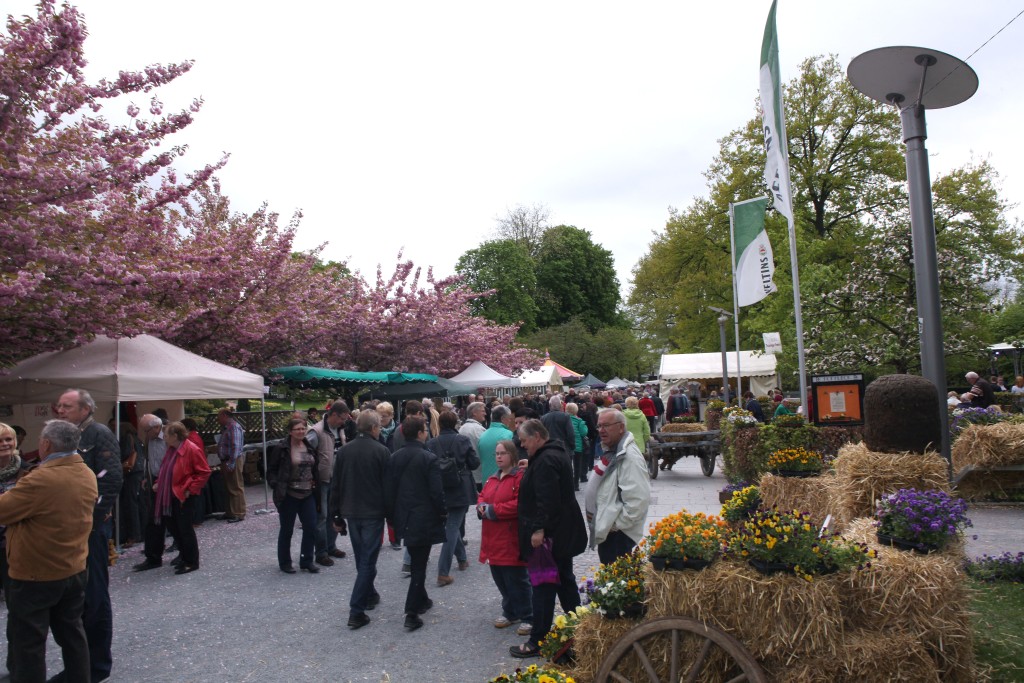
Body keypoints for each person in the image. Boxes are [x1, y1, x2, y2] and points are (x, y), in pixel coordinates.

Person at [0, 419, 97, 683]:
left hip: (36, 573)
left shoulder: (41, 479)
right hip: (73, 567)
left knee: (29, 643)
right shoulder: (85, 472)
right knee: (72, 634)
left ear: (45, 444)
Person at [55, 388, 122, 683]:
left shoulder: (98, 433)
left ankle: (96, 666)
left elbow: (111, 479)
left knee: (94, 596)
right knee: (76, 598)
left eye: (67, 406)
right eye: (59, 406)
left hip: (90, 527)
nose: (60, 410)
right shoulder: (67, 435)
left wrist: (93, 519)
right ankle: (79, 666)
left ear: (85, 409)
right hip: (72, 526)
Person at [510, 419, 587, 659]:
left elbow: (548, 500)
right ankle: (581, 630)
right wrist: (532, 465)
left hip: (549, 537)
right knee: (565, 582)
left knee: (543, 587)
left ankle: (537, 640)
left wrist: (538, 529)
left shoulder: (545, 460)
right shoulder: (552, 453)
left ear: (537, 436)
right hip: (562, 534)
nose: (522, 445)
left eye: (524, 441)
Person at [384, 416, 446, 631]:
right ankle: (411, 611)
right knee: (419, 564)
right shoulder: (428, 458)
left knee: (418, 558)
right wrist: (442, 512)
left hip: (404, 515)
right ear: (420, 433)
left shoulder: (394, 457)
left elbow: (389, 490)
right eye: (425, 430)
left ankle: (422, 599)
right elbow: (436, 491)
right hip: (423, 516)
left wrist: (391, 517)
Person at [331, 410, 390, 630]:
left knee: (362, 558)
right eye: (379, 427)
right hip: (372, 512)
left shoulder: (345, 451)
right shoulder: (381, 451)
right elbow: (388, 486)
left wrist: (336, 514)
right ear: (374, 428)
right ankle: (356, 609)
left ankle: (369, 593)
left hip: (351, 510)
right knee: (367, 560)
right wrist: (393, 515)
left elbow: (336, 484)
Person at [134, 422, 211, 575]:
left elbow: (204, 472)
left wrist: (190, 490)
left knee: (184, 529)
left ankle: (191, 561)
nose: (165, 438)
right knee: (175, 528)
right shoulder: (172, 450)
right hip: (171, 494)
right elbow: (166, 470)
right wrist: (159, 482)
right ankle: (184, 557)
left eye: (167, 435)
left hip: (183, 495)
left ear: (175, 436)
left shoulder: (191, 449)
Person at [478, 439, 532, 636]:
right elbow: (482, 496)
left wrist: (493, 510)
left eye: (503, 453)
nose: (499, 457)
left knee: (517, 579)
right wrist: (481, 506)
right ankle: (510, 611)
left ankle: (528, 615)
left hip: (510, 538)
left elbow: (520, 504)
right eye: (497, 454)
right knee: (500, 578)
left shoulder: (519, 478)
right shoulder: (493, 478)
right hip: (492, 539)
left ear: (512, 455)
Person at [586, 410, 651, 564]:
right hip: (612, 533)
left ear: (621, 427)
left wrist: (615, 525)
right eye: (599, 426)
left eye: (606, 426)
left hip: (618, 535)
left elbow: (638, 501)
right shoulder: (614, 450)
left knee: (618, 574)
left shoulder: (628, 457)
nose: (601, 430)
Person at [427, 411, 480, 587]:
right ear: (455, 423)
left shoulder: (432, 443)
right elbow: (474, 463)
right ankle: (443, 572)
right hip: (460, 487)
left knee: (452, 524)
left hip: (440, 488)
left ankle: (462, 559)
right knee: (451, 527)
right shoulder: (462, 440)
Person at [267, 418, 322, 574]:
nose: (301, 431)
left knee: (311, 527)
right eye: (297, 429)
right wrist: (275, 484)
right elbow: (271, 470)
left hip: (308, 493)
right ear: (290, 431)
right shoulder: (282, 448)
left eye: (303, 428)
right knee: (287, 529)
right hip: (289, 494)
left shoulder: (309, 446)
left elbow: (315, 468)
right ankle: (285, 562)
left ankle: (306, 560)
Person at [307, 400, 350, 566]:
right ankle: (321, 552)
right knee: (322, 516)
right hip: (323, 480)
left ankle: (331, 546)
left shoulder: (340, 429)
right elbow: (307, 453)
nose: (343, 422)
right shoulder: (316, 431)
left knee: (335, 513)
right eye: (342, 418)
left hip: (337, 479)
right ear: (333, 415)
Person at [216, 408, 246, 523]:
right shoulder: (227, 428)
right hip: (227, 460)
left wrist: (231, 463)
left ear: (224, 415)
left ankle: (239, 513)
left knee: (236, 487)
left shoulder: (233, 427)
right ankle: (230, 512)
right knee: (228, 487)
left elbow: (236, 446)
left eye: (219, 416)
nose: (218, 419)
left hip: (232, 460)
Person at [477, 405, 514, 484]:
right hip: (503, 481)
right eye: (509, 418)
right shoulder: (509, 434)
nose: (510, 420)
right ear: (503, 418)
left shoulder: (482, 435)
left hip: (486, 481)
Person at [458, 402, 487, 492]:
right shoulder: (479, 429)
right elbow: (485, 450)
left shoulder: (461, 428)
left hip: (468, 474)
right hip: (480, 474)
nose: (485, 413)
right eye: (483, 411)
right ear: (474, 413)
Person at [565, 402, 588, 491]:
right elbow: (583, 433)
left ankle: (568, 483)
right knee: (577, 466)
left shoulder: (564, 419)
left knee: (568, 465)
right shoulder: (579, 421)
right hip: (578, 446)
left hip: (567, 446)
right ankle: (576, 485)